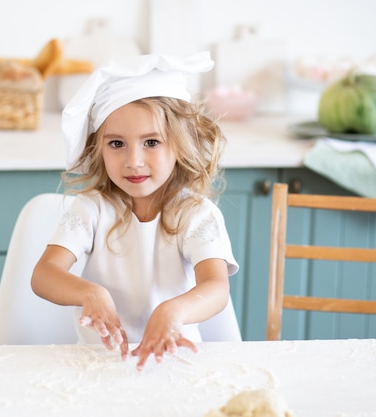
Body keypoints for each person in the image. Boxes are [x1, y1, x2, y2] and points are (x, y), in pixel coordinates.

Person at [31, 52, 239, 371]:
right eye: (117, 144)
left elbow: (215, 287)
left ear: (180, 144)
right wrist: (90, 293)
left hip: (175, 359)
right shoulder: (91, 209)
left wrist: (173, 312)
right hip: (99, 363)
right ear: (98, 148)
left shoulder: (196, 213)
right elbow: (44, 275)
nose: (133, 161)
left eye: (151, 142)